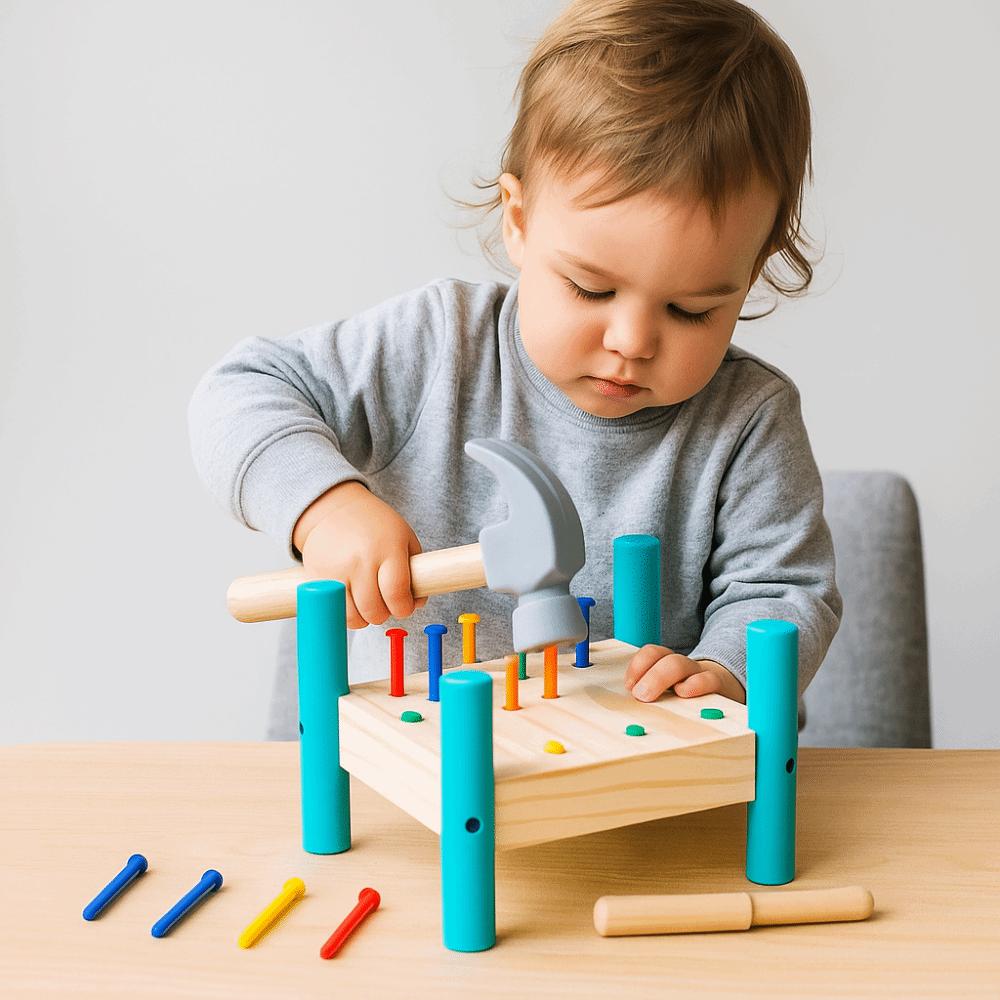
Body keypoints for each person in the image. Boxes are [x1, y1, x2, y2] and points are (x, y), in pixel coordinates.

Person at [188, 0, 842, 721]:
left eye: (692, 310)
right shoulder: (439, 346)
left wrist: (726, 672)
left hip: (641, 792)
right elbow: (242, 389)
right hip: (423, 771)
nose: (632, 340)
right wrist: (325, 508)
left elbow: (785, 589)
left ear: (751, 274)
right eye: (591, 287)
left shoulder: (748, 419)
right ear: (520, 222)